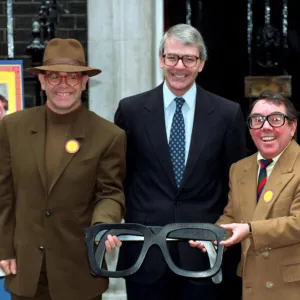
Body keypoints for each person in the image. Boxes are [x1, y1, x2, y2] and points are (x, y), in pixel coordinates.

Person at [113, 23, 247, 300]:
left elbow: (236, 183)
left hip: (203, 253)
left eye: (189, 59)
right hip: (144, 254)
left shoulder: (227, 114)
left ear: (201, 64)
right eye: (172, 57)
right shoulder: (131, 111)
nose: (180, 66)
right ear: (161, 59)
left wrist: (221, 232)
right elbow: (118, 177)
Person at [0, 38, 126, 300]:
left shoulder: (108, 135)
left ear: (83, 82)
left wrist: (102, 225)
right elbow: (4, 195)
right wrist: (4, 249)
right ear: (43, 81)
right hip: (25, 269)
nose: (63, 85)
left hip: (78, 270)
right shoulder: (13, 127)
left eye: (72, 78)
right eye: (55, 77)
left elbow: (110, 194)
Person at [192, 91, 300, 300]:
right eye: (257, 120)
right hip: (252, 285)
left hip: (291, 288)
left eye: (276, 119)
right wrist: (214, 236)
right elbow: (232, 215)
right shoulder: (240, 168)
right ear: (250, 129)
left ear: (292, 126)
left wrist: (250, 230)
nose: (266, 127)